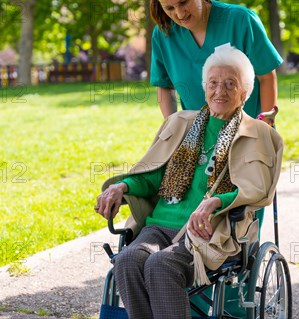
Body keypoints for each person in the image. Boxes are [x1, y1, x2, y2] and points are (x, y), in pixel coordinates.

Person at [95, 45, 283, 319]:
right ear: (204, 87)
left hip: (210, 231)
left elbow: (256, 190)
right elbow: (152, 174)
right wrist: (121, 187)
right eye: (214, 83)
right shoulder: (180, 122)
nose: (220, 90)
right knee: (128, 260)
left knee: (161, 265)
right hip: (159, 225)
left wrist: (215, 201)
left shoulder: (257, 133)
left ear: (244, 93)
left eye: (231, 84)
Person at [149, 0, 283, 124]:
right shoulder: (163, 35)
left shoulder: (241, 20)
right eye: (169, 8)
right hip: (197, 141)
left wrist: (265, 125)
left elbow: (266, 77)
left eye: (183, 2)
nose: (179, 14)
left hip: (249, 135)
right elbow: (164, 86)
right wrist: (173, 127)